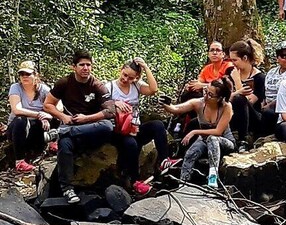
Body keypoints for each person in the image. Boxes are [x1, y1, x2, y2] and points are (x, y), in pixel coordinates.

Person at [43, 50, 114, 204]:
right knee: (64, 143)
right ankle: (67, 189)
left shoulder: (97, 85)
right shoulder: (64, 83)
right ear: (73, 67)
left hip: (92, 130)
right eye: (82, 65)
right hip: (72, 129)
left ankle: (62, 132)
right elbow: (47, 104)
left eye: (88, 65)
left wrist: (86, 119)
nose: (85, 68)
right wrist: (62, 117)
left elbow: (110, 111)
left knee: (107, 126)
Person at [106, 58, 174, 195]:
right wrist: (114, 103)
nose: (126, 79)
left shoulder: (136, 86)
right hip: (118, 131)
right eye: (124, 75)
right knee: (131, 144)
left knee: (158, 125)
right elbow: (99, 103)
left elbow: (153, 89)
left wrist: (145, 67)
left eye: (131, 78)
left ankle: (164, 160)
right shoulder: (110, 87)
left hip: (134, 127)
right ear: (121, 70)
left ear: (136, 78)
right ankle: (134, 181)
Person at [161, 78, 234, 188]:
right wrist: (166, 104)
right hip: (203, 140)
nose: (206, 96)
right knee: (190, 153)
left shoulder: (226, 107)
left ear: (219, 98)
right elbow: (176, 109)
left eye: (210, 95)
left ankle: (213, 177)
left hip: (224, 141)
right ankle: (183, 183)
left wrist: (195, 132)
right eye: (205, 91)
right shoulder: (198, 103)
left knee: (212, 139)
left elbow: (218, 132)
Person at [6, 61, 57, 173]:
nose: (24, 76)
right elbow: (17, 109)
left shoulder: (43, 89)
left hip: (37, 128)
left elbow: (59, 106)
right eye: (22, 74)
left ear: (35, 75)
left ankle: (54, 142)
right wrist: (39, 115)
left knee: (56, 115)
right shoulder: (15, 87)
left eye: (28, 74)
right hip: (18, 129)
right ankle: (19, 161)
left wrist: (48, 115)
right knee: (20, 119)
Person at [227, 39, 266, 151]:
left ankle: (243, 139)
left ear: (244, 58)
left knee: (240, 100)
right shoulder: (230, 72)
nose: (232, 63)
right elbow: (224, 97)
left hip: (253, 116)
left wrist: (238, 82)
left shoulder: (259, 78)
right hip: (230, 113)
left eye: (235, 60)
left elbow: (249, 101)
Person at [260, 41, 286, 137]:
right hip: (266, 105)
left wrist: (270, 106)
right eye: (283, 56)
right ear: (277, 58)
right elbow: (265, 90)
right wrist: (263, 103)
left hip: (283, 109)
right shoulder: (271, 72)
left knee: (268, 112)